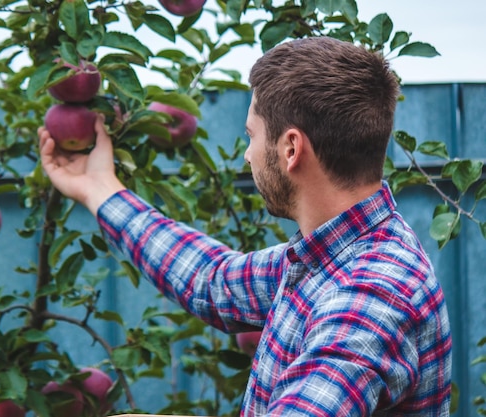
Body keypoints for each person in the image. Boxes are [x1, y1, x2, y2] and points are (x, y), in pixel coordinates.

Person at [38, 36, 452, 416]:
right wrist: (100, 189)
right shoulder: (335, 255)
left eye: (251, 136)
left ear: (291, 149)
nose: (247, 157)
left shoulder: (370, 297)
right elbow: (210, 280)